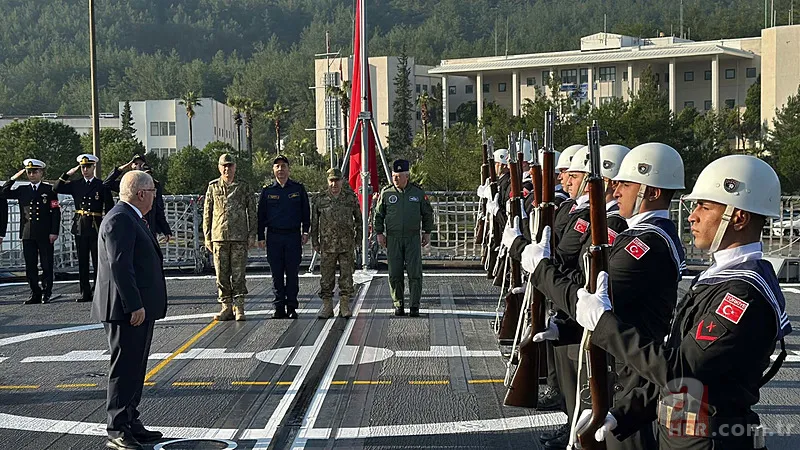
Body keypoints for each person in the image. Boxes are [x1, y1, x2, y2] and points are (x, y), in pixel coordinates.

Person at [575, 155, 792, 450]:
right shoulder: (722, 278)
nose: (692, 216)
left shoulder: (742, 294)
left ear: (738, 218)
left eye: (705, 206)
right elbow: (677, 361)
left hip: (710, 439)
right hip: (685, 433)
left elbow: (680, 370)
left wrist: (604, 324)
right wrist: (623, 413)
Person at [524, 143, 687, 450]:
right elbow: (600, 305)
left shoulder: (647, 244)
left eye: (625, 184)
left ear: (651, 192)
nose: (616, 189)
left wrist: (541, 269)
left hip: (634, 374)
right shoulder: (638, 235)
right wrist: (567, 328)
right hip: (625, 366)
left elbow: (597, 299)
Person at [91, 170, 167, 450]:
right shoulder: (121, 219)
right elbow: (120, 266)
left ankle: (131, 419)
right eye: (153, 192)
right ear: (141, 193)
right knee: (124, 368)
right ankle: (117, 427)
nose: (155, 197)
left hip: (137, 308)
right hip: (126, 310)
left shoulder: (132, 217)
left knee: (136, 366)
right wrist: (134, 304)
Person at [373, 159, 434, 317]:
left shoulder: (417, 193)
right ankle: (398, 304)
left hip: (412, 237)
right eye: (394, 176)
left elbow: (427, 213)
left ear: (407, 176)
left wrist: (427, 232)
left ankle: (414, 305)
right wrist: (379, 233)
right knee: (395, 273)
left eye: (399, 176)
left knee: (415, 273)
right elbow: (378, 215)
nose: (395, 179)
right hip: (393, 238)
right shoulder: (387, 193)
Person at [54, 154, 115, 302]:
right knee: (82, 262)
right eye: (82, 167)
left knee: (98, 261)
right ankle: (85, 292)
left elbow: (109, 207)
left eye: (88, 167)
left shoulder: (101, 185)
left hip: (95, 225)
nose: (85, 170)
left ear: (94, 167)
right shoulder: (76, 184)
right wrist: (67, 174)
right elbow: (57, 187)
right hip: (80, 226)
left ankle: (99, 291)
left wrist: (107, 227)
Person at [203, 154, 257, 322]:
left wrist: (252, 234)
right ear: (219, 167)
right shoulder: (213, 187)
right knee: (221, 274)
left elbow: (252, 212)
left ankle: (239, 306)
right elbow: (207, 213)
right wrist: (207, 237)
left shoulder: (243, 187)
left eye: (230, 165)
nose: (227, 169)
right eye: (224, 166)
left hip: (239, 237)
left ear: (235, 167)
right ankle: (226, 306)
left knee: (239, 274)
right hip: (219, 236)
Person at [257, 155, 311, 319]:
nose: (280, 169)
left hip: (292, 236)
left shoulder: (297, 189)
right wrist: (260, 236)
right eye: (277, 166)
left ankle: (292, 307)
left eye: (283, 166)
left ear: (288, 169)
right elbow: (261, 216)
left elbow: (305, 212)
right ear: (273, 170)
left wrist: (306, 231)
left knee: (293, 273)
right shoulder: (267, 191)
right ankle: (279, 306)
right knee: (276, 273)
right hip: (274, 236)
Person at [1, 159, 60, 304]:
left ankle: (47, 292)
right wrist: (13, 178)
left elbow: (55, 211)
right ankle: (35, 293)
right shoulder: (22, 190)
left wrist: (54, 231)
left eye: (35, 172)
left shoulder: (49, 190)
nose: (32, 174)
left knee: (46, 264)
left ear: (41, 173)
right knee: (30, 265)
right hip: (27, 232)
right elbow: (3, 193)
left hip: (45, 233)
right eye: (29, 172)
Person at [311, 167, 362, 319]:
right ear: (328, 181)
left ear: (342, 181)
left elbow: (359, 220)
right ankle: (327, 307)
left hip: (346, 244)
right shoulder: (320, 199)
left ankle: (344, 306)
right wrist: (315, 241)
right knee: (326, 278)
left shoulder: (350, 197)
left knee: (346, 277)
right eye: (331, 181)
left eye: (337, 180)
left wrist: (358, 239)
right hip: (327, 245)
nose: (334, 184)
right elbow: (314, 223)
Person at [104, 154, 172, 241]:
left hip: (148, 227)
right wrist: (120, 169)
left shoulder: (154, 184)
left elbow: (159, 210)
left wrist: (166, 231)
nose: (138, 167)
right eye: (135, 164)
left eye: (141, 164)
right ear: (131, 165)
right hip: (131, 225)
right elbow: (107, 184)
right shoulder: (127, 184)